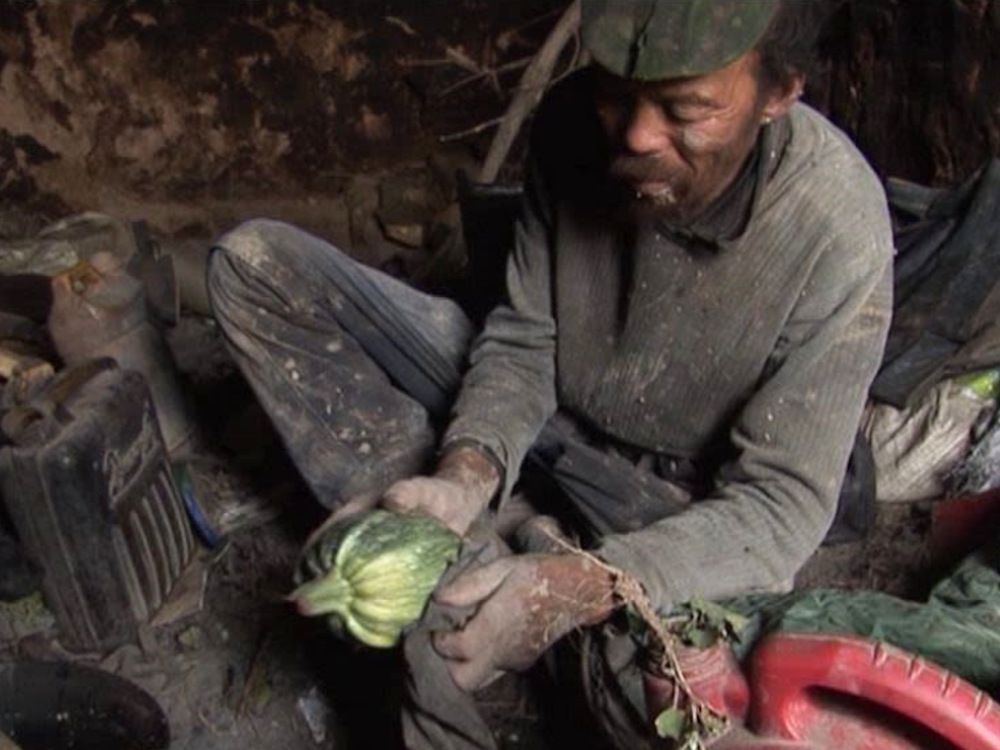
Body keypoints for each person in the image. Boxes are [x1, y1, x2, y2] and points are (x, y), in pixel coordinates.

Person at [207, 0, 892, 746]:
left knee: (653, 700)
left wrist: (578, 589)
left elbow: (781, 506)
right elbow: (526, 337)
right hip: (547, 424)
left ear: (778, 93)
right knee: (257, 268)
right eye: (617, 92)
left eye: (687, 108)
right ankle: (447, 532)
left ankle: (499, 573)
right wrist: (464, 470)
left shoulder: (836, 224)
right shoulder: (571, 125)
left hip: (664, 503)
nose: (635, 134)